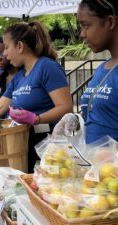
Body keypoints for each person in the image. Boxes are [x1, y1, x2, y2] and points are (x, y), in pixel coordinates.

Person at [0, 22, 72, 172]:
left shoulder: (47, 67)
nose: (4, 54)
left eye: (6, 47)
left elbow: (65, 107)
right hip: (25, 144)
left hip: (49, 146)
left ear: (19, 46)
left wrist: (36, 119)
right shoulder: (19, 77)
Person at [52, 0, 118, 144]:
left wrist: (113, 156)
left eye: (86, 25)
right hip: (94, 163)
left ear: (110, 22)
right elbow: (101, 115)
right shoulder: (102, 68)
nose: (81, 34)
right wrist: (77, 119)